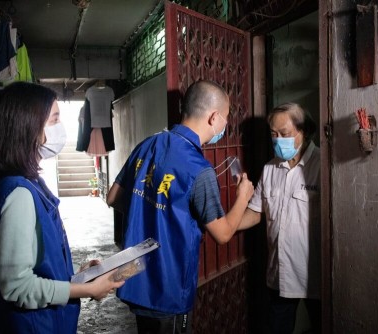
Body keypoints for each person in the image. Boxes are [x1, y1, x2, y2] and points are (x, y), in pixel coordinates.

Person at [106, 80, 254, 334]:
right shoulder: (199, 169)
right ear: (214, 117)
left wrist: (150, 213)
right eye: (226, 118)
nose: (225, 125)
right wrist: (243, 196)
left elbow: (113, 198)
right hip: (169, 286)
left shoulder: (147, 145)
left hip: (137, 277)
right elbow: (223, 233)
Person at [0, 82, 124, 334]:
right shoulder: (20, 195)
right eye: (55, 119)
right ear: (29, 127)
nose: (61, 128)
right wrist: (85, 289)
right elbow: (16, 287)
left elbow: (37, 262)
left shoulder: (29, 184)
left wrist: (77, 277)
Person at [238, 102, 321, 333]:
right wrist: (226, 224)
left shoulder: (322, 167)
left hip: (316, 273)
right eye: (273, 134)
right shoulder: (270, 169)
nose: (277, 140)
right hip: (280, 274)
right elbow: (256, 212)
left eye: (284, 134)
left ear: (303, 131)